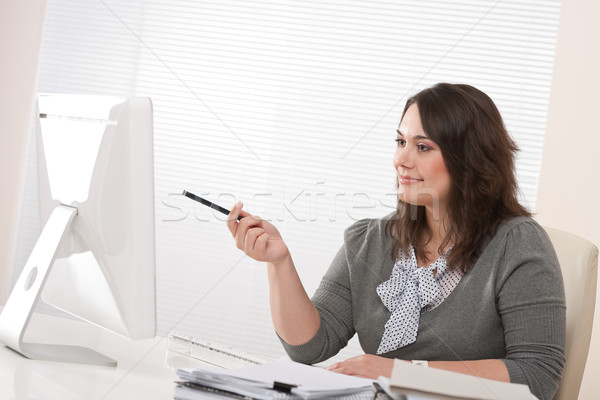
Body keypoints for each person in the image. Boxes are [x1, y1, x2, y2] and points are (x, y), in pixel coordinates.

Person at [226, 83, 565, 400]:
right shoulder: (370, 240)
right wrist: (278, 262)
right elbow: (309, 347)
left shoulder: (517, 244)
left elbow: (537, 376)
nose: (402, 160)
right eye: (400, 142)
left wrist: (402, 372)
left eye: (423, 147)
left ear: (471, 160)